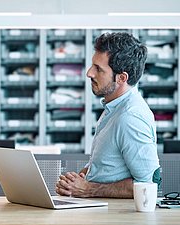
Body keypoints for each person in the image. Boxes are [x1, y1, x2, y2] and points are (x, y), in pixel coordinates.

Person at [56, 32, 161, 198]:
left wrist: (89, 189)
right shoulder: (114, 106)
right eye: (93, 65)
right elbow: (111, 164)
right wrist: (82, 178)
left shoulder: (131, 117)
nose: (89, 73)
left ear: (121, 78)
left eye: (98, 69)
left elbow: (148, 184)